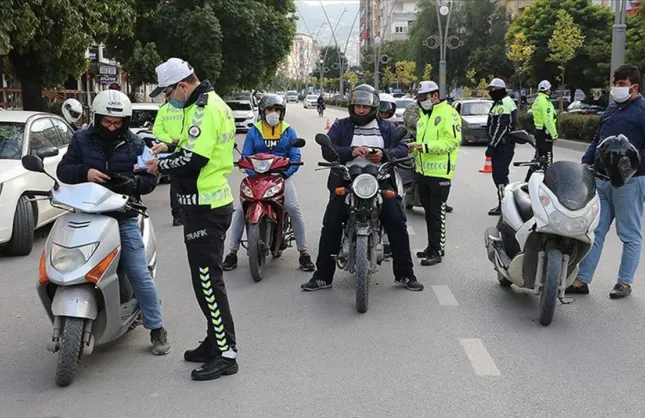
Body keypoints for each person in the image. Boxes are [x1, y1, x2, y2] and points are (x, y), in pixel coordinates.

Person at [56, 90, 170, 356]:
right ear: (96, 118)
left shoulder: (134, 144)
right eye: (106, 121)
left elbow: (151, 179)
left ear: (125, 122)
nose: (111, 127)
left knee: (139, 274)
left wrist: (134, 183)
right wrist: (85, 172)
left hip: (124, 215)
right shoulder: (81, 140)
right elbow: (64, 170)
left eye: (117, 123)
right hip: (86, 213)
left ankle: (157, 327)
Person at [146, 58, 239, 380]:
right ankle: (214, 342)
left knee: (208, 284)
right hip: (205, 203)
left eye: (168, 92)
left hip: (207, 206)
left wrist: (161, 166)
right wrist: (170, 151)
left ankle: (227, 353)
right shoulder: (206, 104)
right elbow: (193, 147)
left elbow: (195, 158)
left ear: (182, 85)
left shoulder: (203, 109)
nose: (167, 98)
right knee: (205, 282)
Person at [301, 84, 423, 292]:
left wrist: (384, 154)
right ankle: (322, 276)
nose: (360, 110)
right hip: (348, 181)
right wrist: (351, 151)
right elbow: (328, 149)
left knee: (396, 220)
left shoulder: (386, 127)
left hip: (380, 180)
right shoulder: (341, 126)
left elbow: (402, 146)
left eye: (365, 107)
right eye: (357, 106)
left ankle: (405, 274)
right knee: (331, 222)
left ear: (373, 107)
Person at [567, 64, 645, 299]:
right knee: (595, 231)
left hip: (629, 182)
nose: (616, 88)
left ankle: (624, 282)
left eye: (621, 84)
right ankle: (582, 280)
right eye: (615, 83)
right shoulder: (611, 110)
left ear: (634, 86)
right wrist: (586, 161)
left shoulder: (642, 111)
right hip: (601, 180)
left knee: (629, 233)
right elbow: (597, 140)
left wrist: (631, 162)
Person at [221, 94, 315, 272]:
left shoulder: (288, 131)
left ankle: (303, 252)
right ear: (262, 112)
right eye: (270, 110)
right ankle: (232, 252)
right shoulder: (254, 130)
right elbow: (246, 155)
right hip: (256, 179)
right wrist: (250, 170)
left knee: (293, 207)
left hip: (281, 178)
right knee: (241, 210)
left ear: (282, 112)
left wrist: (285, 173)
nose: (274, 113)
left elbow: (295, 156)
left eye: (277, 110)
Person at [409, 81, 461, 266]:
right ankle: (431, 246)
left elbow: (452, 142)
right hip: (423, 171)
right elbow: (420, 143)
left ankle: (438, 250)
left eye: (424, 97)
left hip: (440, 174)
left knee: (437, 212)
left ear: (435, 96)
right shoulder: (424, 117)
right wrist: (413, 149)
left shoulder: (449, 114)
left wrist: (424, 147)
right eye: (419, 98)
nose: (421, 101)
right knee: (428, 210)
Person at [485, 78, 518, 216]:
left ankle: (504, 205)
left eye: (492, 89)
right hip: (502, 145)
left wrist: (492, 145)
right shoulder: (501, 102)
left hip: (503, 145)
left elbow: (501, 127)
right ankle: (504, 203)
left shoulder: (504, 103)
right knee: (500, 176)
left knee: (500, 176)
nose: (490, 92)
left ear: (499, 89)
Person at [151, 99, 185, 226]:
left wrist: (171, 141)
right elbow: (157, 130)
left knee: (177, 183)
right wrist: (175, 141)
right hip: (181, 150)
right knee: (179, 183)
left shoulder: (165, 109)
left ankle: (179, 215)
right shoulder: (166, 109)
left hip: (175, 149)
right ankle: (180, 215)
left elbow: (157, 130)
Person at [532, 80, 558, 167]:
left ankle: (530, 176)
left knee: (538, 156)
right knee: (548, 158)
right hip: (545, 133)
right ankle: (547, 177)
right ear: (548, 90)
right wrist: (554, 134)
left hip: (538, 131)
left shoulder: (537, 100)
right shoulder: (545, 102)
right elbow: (548, 120)